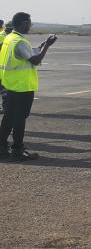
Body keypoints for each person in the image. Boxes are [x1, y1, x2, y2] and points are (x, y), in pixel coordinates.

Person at [0, 12, 57, 161]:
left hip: (11, 85)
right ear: (23, 23)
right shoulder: (19, 42)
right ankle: (17, 150)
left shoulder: (10, 38)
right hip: (21, 87)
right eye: (29, 23)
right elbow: (35, 60)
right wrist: (47, 47)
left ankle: (4, 148)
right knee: (18, 119)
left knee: (9, 118)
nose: (30, 26)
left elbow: (26, 54)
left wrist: (41, 45)